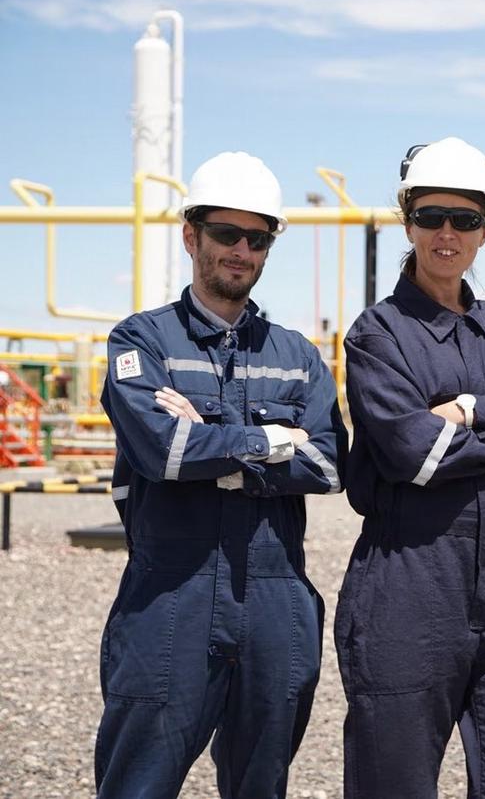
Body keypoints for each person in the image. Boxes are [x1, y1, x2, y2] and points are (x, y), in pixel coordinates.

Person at [95, 151, 348, 797]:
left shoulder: (295, 356)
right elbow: (161, 453)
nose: (241, 250)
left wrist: (212, 448)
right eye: (225, 234)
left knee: (261, 784)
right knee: (138, 784)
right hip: (169, 595)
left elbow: (327, 462)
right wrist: (269, 441)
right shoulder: (142, 343)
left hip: (275, 599)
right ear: (190, 236)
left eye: (257, 238)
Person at [337, 137, 485, 798]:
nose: (447, 234)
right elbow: (417, 455)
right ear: (407, 220)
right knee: (395, 784)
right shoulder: (378, 334)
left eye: (465, 219)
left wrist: (471, 410)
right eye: (430, 217)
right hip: (407, 580)